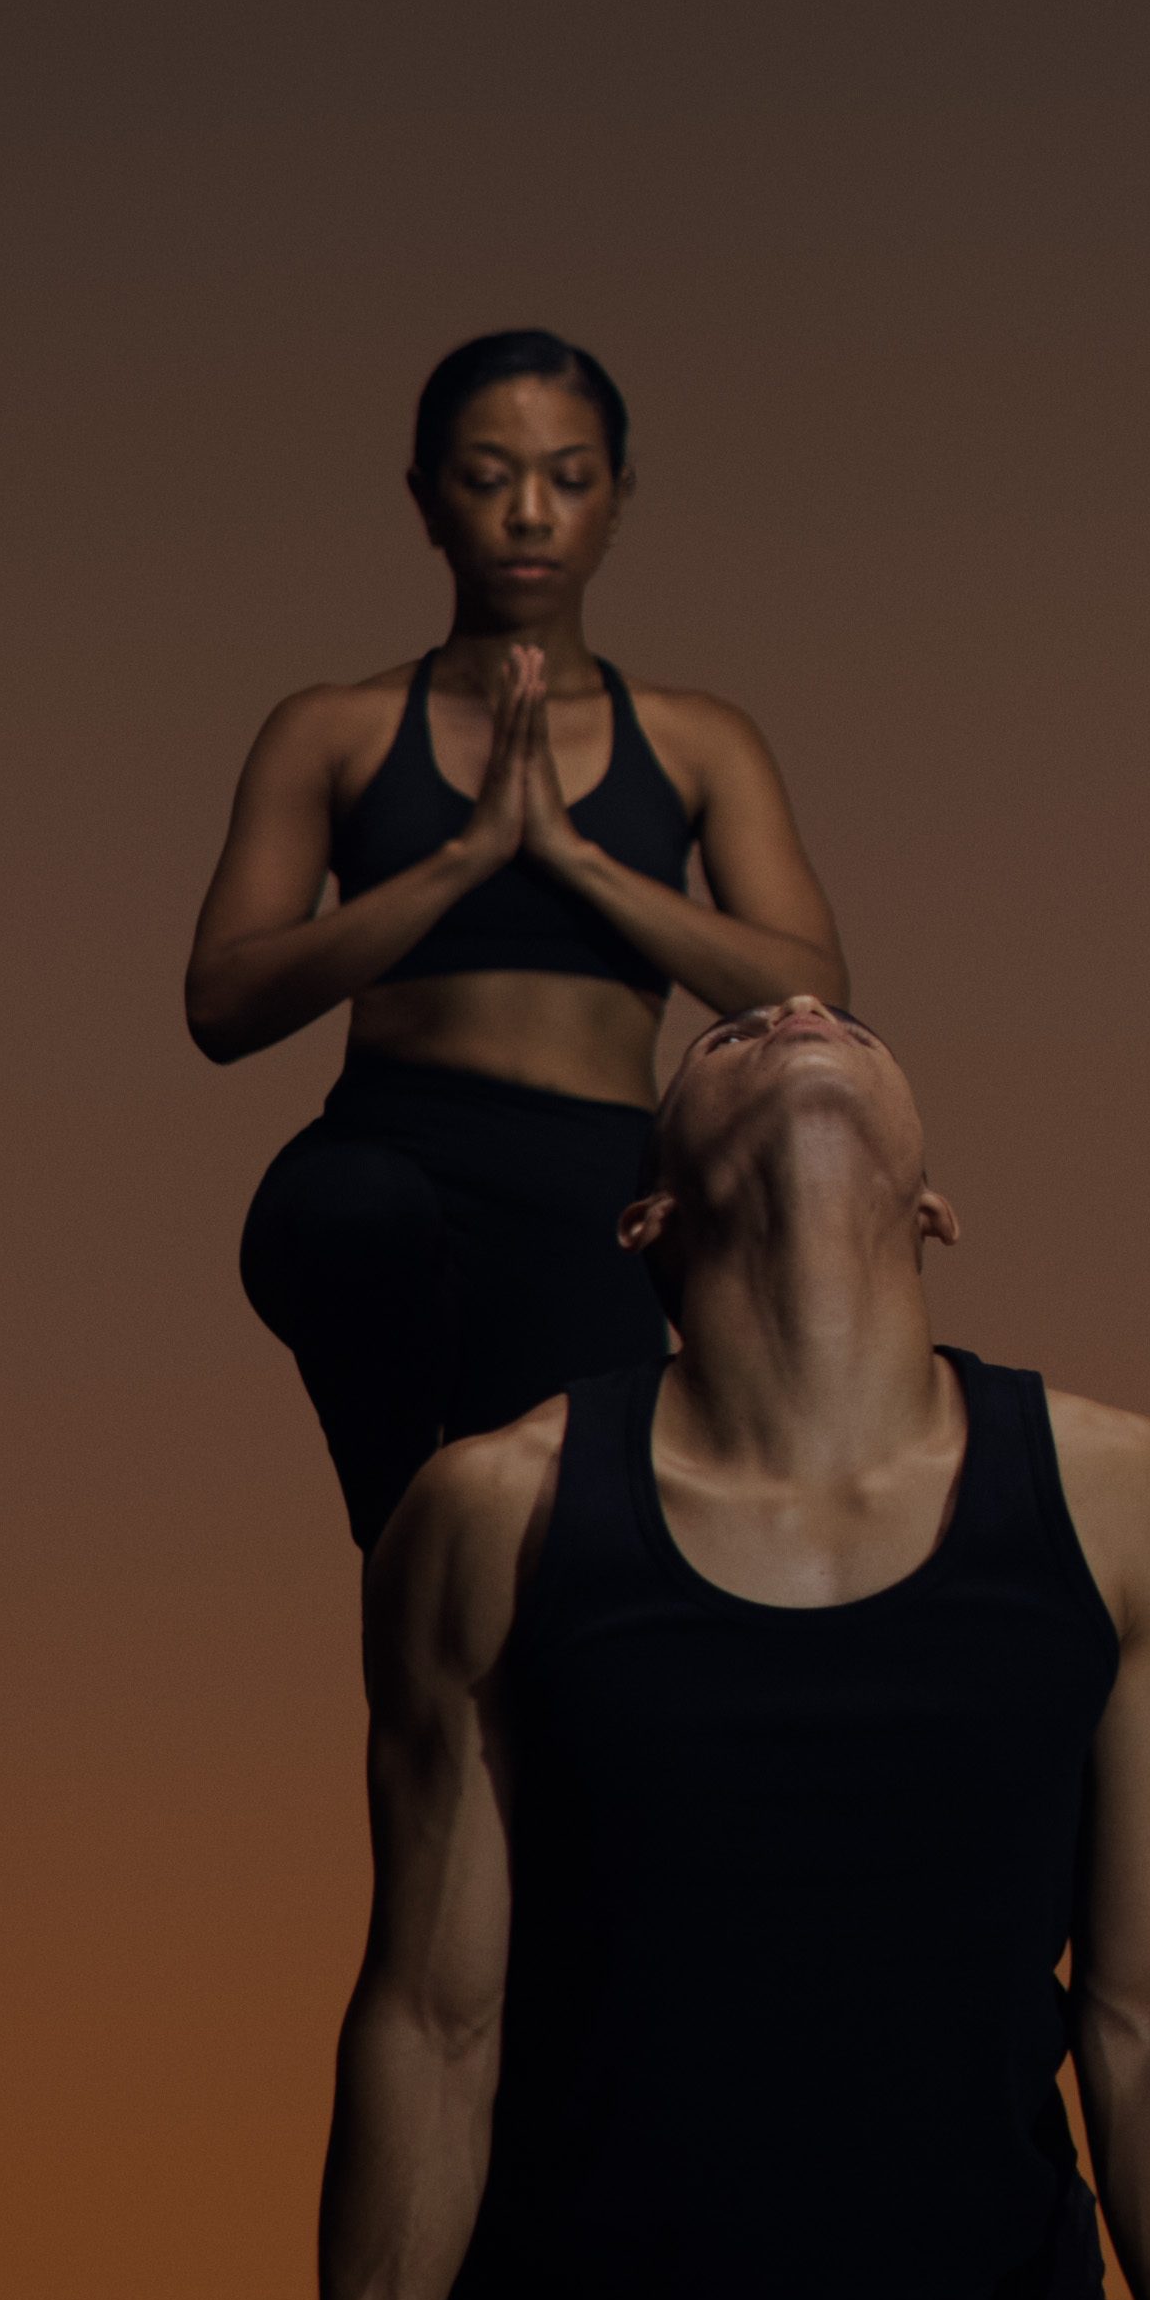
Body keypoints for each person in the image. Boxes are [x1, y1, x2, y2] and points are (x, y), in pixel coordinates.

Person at [246, 998, 1150, 2300]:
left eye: (845, 1020)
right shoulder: (491, 1511)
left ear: (935, 1209)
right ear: (643, 1214)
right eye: (728, 1039)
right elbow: (435, 2016)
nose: (791, 1012)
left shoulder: (1116, 1491)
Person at [184, 332, 848, 1544]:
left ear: (616, 499)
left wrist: (575, 855)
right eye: (488, 478)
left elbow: (810, 992)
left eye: (568, 476)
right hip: (391, 1158)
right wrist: (462, 856)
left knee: (558, 1564)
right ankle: (397, 1542)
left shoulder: (700, 740)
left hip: (594, 1184)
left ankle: (449, 1589)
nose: (529, 513)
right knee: (354, 1226)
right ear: (426, 501)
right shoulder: (333, 727)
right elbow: (222, 1002)